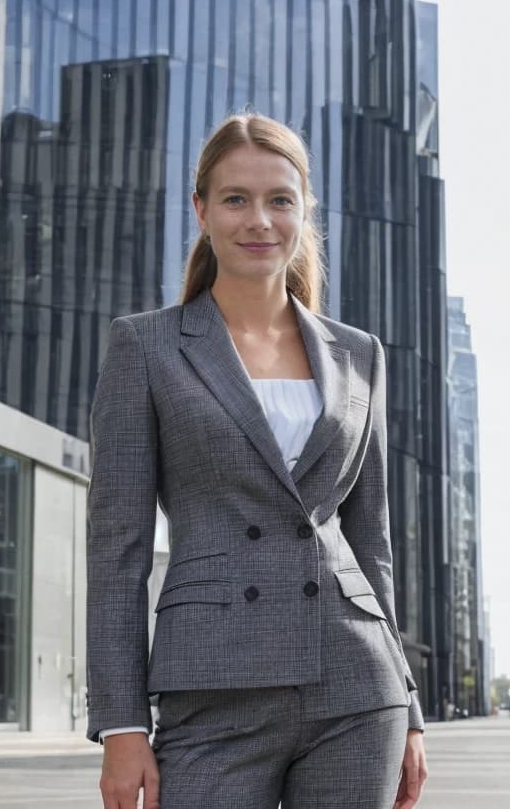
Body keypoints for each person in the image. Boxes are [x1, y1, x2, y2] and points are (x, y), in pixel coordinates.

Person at [86, 112, 428, 808]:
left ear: (304, 212)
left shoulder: (358, 353)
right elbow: (116, 550)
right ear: (201, 210)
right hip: (212, 685)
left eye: (280, 199)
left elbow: (372, 544)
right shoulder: (146, 347)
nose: (259, 220)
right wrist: (121, 723)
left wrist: (412, 709)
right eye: (236, 198)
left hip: (357, 685)